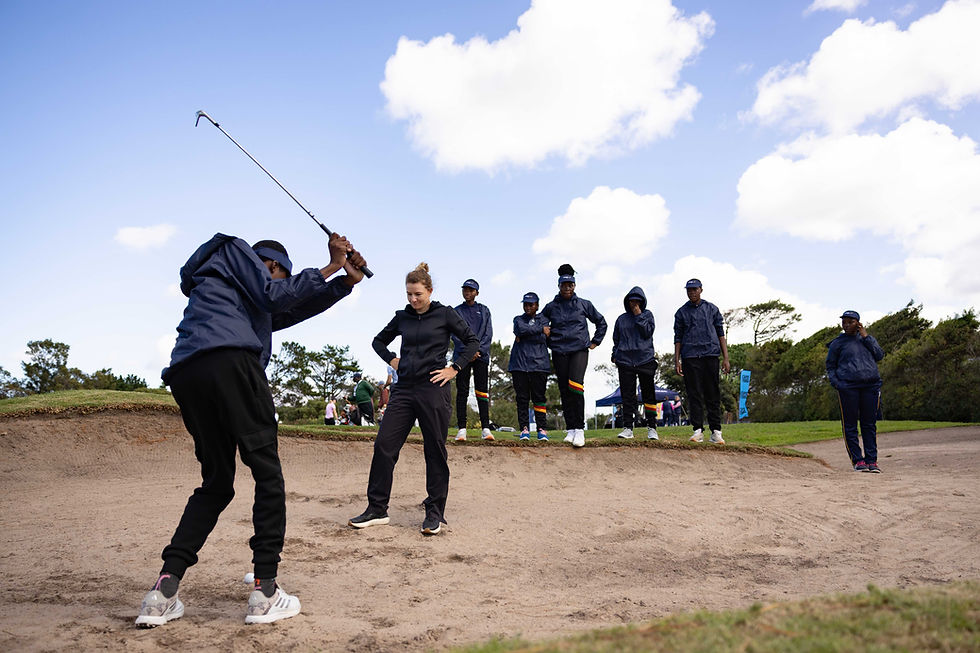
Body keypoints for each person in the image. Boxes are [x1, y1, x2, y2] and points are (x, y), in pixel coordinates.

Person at [135, 232, 366, 628]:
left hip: (188, 373)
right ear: (272, 266)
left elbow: (290, 308)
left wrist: (345, 281)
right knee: (268, 475)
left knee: (217, 483)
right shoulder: (235, 251)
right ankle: (265, 592)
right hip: (232, 362)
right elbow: (277, 296)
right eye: (280, 276)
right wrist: (330, 264)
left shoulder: (229, 289)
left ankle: (163, 591)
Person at [349, 263, 479, 535]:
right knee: (384, 445)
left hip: (434, 387)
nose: (413, 299)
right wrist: (392, 360)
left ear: (429, 290)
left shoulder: (445, 314)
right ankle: (377, 509)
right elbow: (378, 341)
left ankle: (434, 513)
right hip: (404, 389)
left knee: (434, 450)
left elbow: (472, 342)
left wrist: (454, 368)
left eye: (418, 294)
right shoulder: (402, 317)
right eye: (409, 294)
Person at [542, 264, 606, 447]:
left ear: (574, 286)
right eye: (564, 285)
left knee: (575, 385)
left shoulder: (584, 304)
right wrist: (545, 333)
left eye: (570, 285)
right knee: (564, 388)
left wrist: (595, 341)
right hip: (559, 350)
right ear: (559, 286)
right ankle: (570, 429)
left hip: (579, 349)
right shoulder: (551, 306)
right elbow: (540, 322)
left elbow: (601, 322)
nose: (567, 288)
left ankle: (579, 429)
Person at [826, 310, 885, 473]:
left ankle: (872, 461)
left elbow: (879, 355)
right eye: (843, 321)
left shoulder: (867, 340)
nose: (846, 324)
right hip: (848, 387)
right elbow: (830, 366)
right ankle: (858, 461)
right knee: (850, 425)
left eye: (850, 321)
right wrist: (838, 383)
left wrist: (866, 336)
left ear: (858, 323)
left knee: (869, 425)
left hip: (870, 386)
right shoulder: (837, 343)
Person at [673, 279, 730, 444]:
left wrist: (725, 358)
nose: (691, 292)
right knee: (694, 394)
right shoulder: (681, 312)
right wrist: (677, 360)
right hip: (690, 356)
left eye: (694, 289)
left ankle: (716, 431)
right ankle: (697, 430)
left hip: (710, 355)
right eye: (688, 290)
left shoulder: (711, 309)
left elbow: (720, 333)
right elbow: (678, 338)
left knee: (713, 393)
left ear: (701, 290)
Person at [611, 286, 660, 441]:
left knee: (649, 395)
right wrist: (614, 355)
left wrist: (639, 315)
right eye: (632, 301)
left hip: (645, 359)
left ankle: (652, 428)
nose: (634, 304)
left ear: (642, 302)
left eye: (637, 301)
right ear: (627, 301)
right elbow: (616, 339)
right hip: (625, 361)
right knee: (627, 397)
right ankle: (628, 428)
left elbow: (648, 332)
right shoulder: (621, 319)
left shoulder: (648, 315)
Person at [451, 279, 494, 441]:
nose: (467, 292)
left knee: (482, 391)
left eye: (471, 290)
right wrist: (469, 351)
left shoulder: (484, 310)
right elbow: (454, 334)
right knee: (461, 391)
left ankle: (486, 428)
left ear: (477, 292)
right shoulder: (456, 311)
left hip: (481, 356)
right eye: (465, 289)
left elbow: (488, 334)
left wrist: (477, 350)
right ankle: (462, 429)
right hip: (463, 356)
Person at [508, 292, 552, 441]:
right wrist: (540, 330)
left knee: (539, 398)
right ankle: (524, 429)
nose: (528, 307)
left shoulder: (544, 319)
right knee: (522, 399)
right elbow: (521, 330)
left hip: (539, 365)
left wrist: (530, 332)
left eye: (531, 304)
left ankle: (542, 429)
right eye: (525, 304)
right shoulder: (518, 319)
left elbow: (544, 336)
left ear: (537, 305)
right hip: (519, 365)